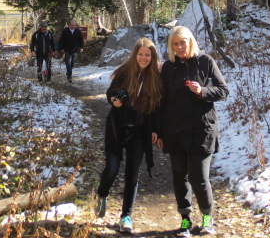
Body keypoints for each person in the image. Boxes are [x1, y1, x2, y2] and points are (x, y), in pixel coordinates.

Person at [153, 26, 229, 237]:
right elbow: (160, 102)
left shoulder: (205, 61)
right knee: (179, 176)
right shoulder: (167, 68)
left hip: (201, 129)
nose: (179, 47)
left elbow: (223, 91)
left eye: (182, 43)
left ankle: (207, 218)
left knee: (198, 177)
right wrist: (158, 132)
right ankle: (185, 219)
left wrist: (202, 91)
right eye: (175, 44)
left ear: (190, 42)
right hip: (174, 130)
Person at [95, 38, 164, 234]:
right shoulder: (124, 72)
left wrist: (156, 130)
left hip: (140, 130)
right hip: (117, 127)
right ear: (135, 55)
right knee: (112, 168)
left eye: (147, 55)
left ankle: (126, 216)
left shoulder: (156, 77)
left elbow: (158, 108)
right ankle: (102, 193)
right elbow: (110, 93)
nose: (143, 58)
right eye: (140, 54)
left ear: (152, 57)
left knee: (132, 175)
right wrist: (115, 100)